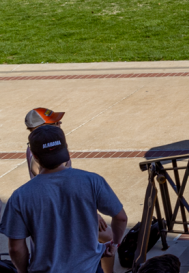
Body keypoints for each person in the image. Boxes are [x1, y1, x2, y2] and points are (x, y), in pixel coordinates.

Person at [0, 125, 129, 273]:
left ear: (34, 156)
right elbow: (121, 218)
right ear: (66, 149)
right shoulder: (92, 181)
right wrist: (114, 244)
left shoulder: (20, 196)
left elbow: (15, 248)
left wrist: (23, 271)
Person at [24, 107, 117, 272]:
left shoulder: (39, 149)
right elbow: (60, 187)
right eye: (55, 123)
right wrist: (91, 213)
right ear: (41, 128)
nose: (60, 124)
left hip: (59, 211)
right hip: (62, 214)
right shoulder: (41, 158)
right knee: (108, 236)